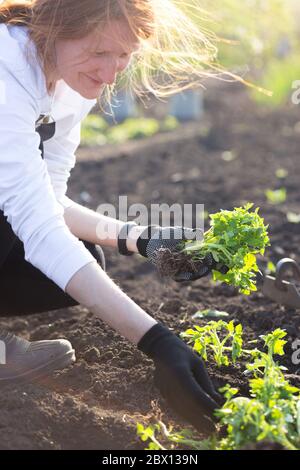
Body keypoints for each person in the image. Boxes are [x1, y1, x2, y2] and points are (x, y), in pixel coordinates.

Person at [0, 0, 223, 433]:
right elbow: (35, 220)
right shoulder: (5, 74)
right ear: (55, 29)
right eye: (99, 52)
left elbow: (48, 199)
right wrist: (156, 341)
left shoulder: (67, 83)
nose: (110, 72)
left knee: (77, 263)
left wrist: (141, 239)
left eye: (124, 55)